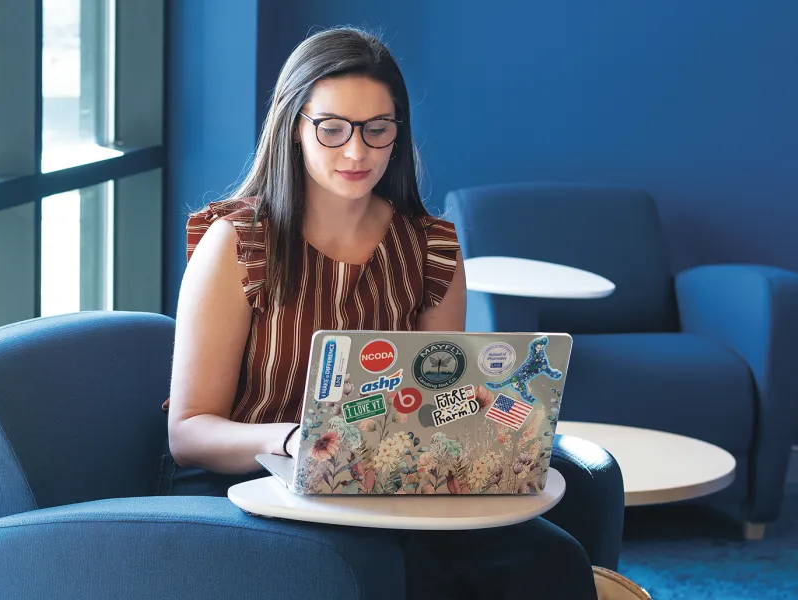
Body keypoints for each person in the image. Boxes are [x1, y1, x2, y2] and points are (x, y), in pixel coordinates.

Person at [158, 27, 597, 600]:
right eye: (332, 128)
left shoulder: (432, 247)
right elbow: (188, 434)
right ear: (295, 128)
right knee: (382, 569)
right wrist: (298, 439)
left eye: (377, 130)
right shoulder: (239, 242)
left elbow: (441, 406)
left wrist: (492, 412)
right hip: (251, 482)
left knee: (550, 559)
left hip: (383, 482)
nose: (357, 151)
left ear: (398, 134)